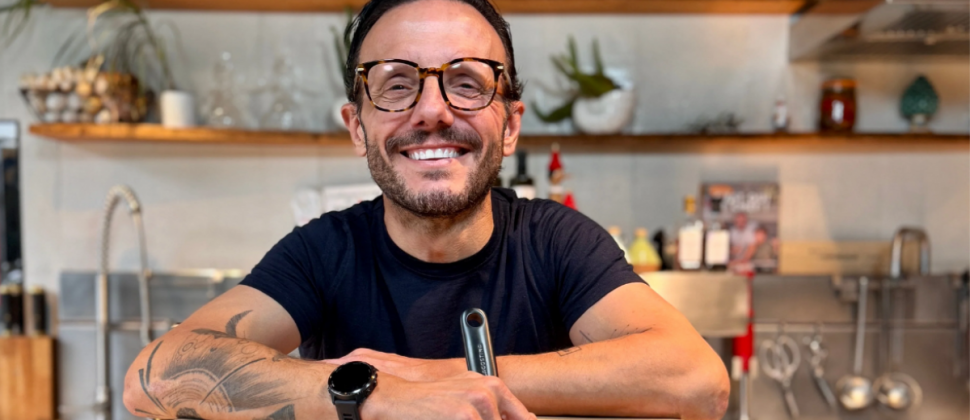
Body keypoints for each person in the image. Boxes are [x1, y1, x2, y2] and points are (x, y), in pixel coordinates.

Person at [122, 1, 729, 419]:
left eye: (467, 83)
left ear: (510, 125)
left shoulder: (555, 241)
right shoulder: (323, 252)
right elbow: (156, 376)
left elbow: (697, 380)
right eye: (395, 84)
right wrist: (376, 396)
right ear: (357, 126)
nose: (433, 110)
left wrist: (432, 380)